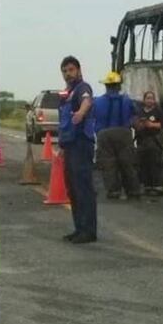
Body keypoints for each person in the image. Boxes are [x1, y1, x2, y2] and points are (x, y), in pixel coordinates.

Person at [57, 55, 97, 244]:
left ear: (79, 70)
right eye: (65, 71)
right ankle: (79, 228)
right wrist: (62, 147)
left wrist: (81, 113)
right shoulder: (66, 93)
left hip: (82, 144)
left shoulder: (82, 88)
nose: (68, 74)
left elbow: (87, 101)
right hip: (70, 146)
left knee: (83, 188)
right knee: (72, 189)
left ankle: (88, 230)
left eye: (71, 70)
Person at [92, 71, 141, 200]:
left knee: (109, 164)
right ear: (119, 86)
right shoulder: (127, 100)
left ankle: (114, 191)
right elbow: (136, 116)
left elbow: (93, 117)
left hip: (104, 134)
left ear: (107, 86)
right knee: (128, 164)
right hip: (124, 133)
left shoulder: (97, 101)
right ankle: (133, 191)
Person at [134, 91, 163, 197]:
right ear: (144, 100)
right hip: (142, 141)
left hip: (154, 140)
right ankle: (147, 186)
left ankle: (158, 186)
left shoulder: (158, 111)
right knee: (143, 164)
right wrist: (139, 125)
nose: (149, 100)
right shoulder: (139, 111)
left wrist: (151, 125)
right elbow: (134, 123)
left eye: (151, 98)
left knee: (156, 164)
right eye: (147, 98)